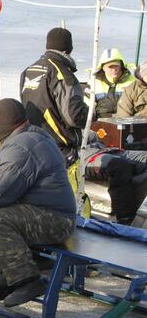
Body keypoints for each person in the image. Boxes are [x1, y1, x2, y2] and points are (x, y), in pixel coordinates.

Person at [0, 99, 76, 307]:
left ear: (1, 124)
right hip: (35, 209)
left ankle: (27, 280)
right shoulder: (27, 136)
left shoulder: (21, 148)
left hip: (56, 218)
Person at [20, 27, 88, 166]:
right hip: (59, 148)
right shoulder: (63, 75)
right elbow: (74, 116)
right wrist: (91, 113)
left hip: (33, 142)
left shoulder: (29, 71)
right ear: (68, 49)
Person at [84, 132, 147, 224]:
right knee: (119, 166)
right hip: (86, 158)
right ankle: (125, 218)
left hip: (108, 150)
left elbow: (93, 135)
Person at [87, 48, 135, 119]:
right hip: (101, 123)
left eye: (116, 66)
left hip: (127, 122)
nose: (114, 69)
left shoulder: (132, 82)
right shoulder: (94, 82)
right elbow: (87, 106)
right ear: (103, 68)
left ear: (121, 65)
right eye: (110, 67)